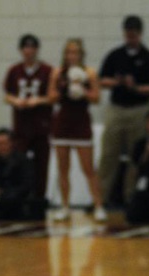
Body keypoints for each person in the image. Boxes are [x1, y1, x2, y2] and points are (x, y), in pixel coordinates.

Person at [98, 15, 149, 207]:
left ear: (140, 34)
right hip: (116, 109)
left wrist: (136, 88)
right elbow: (102, 81)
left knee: (136, 156)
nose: (131, 38)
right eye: (128, 34)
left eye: (134, 34)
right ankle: (101, 197)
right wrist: (118, 82)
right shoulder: (115, 55)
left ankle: (131, 198)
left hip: (139, 110)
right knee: (109, 154)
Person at [48, 39, 107, 223]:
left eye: (75, 53)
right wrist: (64, 90)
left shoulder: (90, 72)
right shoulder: (58, 73)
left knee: (88, 168)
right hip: (63, 122)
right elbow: (51, 98)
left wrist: (82, 91)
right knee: (63, 168)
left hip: (81, 122)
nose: (72, 56)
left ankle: (98, 206)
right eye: (69, 52)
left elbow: (97, 98)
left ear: (81, 55)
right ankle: (65, 206)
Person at [3, 34, 52, 200]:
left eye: (32, 47)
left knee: (41, 164)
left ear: (37, 50)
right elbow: (7, 94)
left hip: (41, 125)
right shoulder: (14, 71)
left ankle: (39, 198)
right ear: (21, 50)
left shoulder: (47, 71)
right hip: (21, 126)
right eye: (26, 47)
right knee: (19, 162)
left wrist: (39, 100)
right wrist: (16, 100)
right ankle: (19, 197)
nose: (29, 51)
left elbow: (53, 96)